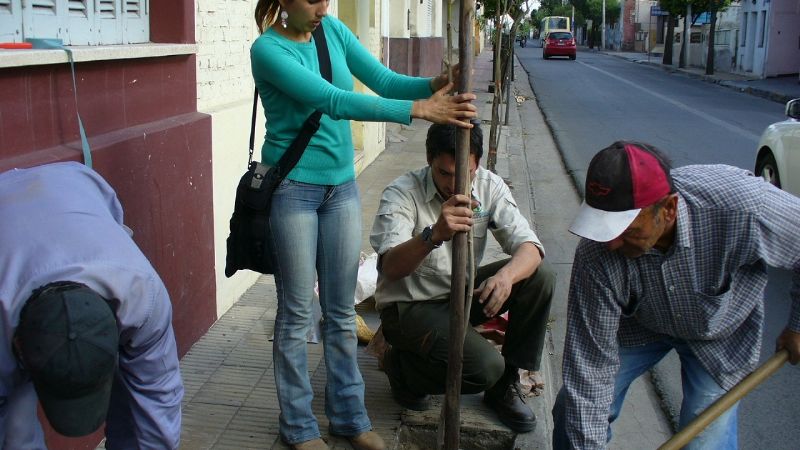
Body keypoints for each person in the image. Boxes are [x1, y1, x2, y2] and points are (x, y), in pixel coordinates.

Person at [250, 2, 477, 449]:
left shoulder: (332, 31)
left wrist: (434, 85)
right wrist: (418, 110)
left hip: (341, 189)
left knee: (340, 311)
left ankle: (350, 418)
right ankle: (298, 427)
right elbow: (333, 101)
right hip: (293, 189)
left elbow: (385, 81)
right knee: (296, 312)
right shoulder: (268, 50)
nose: (323, 7)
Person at [553, 141, 800, 449]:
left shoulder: (742, 206)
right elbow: (589, 368)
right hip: (642, 323)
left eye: (624, 230)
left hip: (719, 333)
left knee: (704, 440)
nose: (611, 244)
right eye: (602, 228)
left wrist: (797, 326)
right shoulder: (596, 254)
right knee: (571, 410)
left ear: (668, 209)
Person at [369, 123, 555, 433]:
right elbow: (391, 268)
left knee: (539, 277)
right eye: (444, 173)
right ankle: (400, 367)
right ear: (429, 159)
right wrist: (433, 235)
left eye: (465, 173)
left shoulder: (488, 185)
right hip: (410, 307)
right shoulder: (402, 193)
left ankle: (504, 387)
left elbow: (530, 248)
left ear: (477, 163)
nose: (454, 184)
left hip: (462, 295)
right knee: (485, 368)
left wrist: (506, 277)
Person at [0, 162, 183, 449]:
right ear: (20, 348)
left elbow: (158, 393)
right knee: (14, 421)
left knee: (137, 402)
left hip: (75, 185)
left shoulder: (143, 296)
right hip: (16, 206)